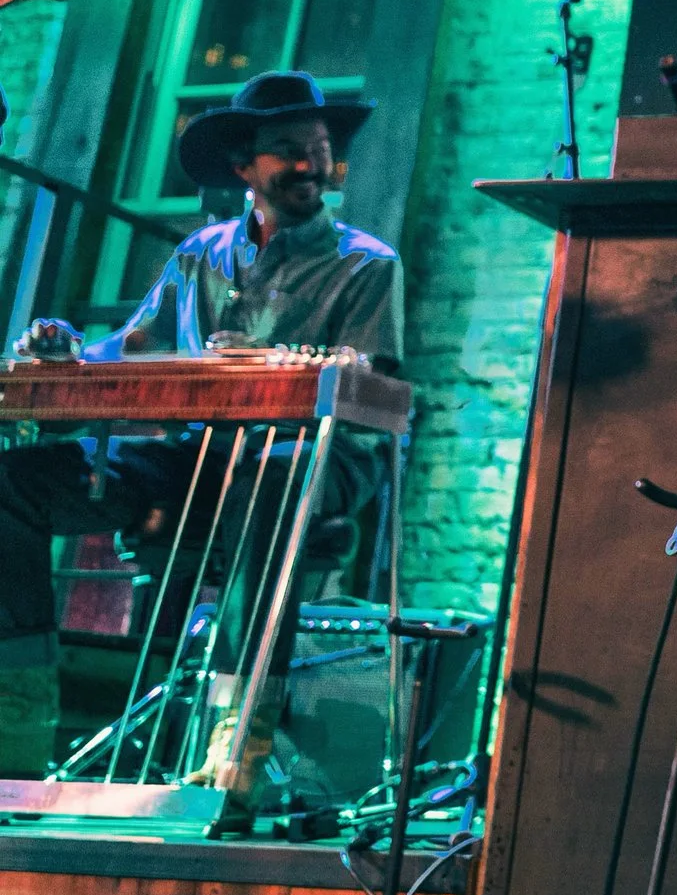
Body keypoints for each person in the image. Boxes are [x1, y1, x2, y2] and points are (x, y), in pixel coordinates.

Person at [0, 70, 401, 775]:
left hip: (319, 458)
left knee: (269, 474)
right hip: (199, 454)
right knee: (11, 484)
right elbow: (130, 354)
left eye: (319, 146)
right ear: (244, 167)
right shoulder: (199, 256)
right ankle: (17, 719)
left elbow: (370, 385)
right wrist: (62, 355)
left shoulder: (367, 265)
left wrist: (273, 364)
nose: (311, 162)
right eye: (287, 148)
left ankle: (241, 732)